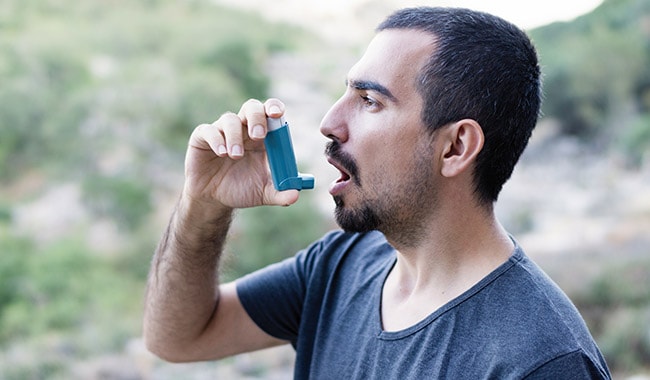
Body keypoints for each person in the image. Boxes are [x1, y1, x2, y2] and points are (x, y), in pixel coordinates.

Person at [143, 7, 611, 379]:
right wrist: (203, 206)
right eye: (346, 92)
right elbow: (177, 337)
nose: (329, 122)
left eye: (370, 101)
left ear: (455, 147)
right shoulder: (340, 264)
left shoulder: (542, 361)